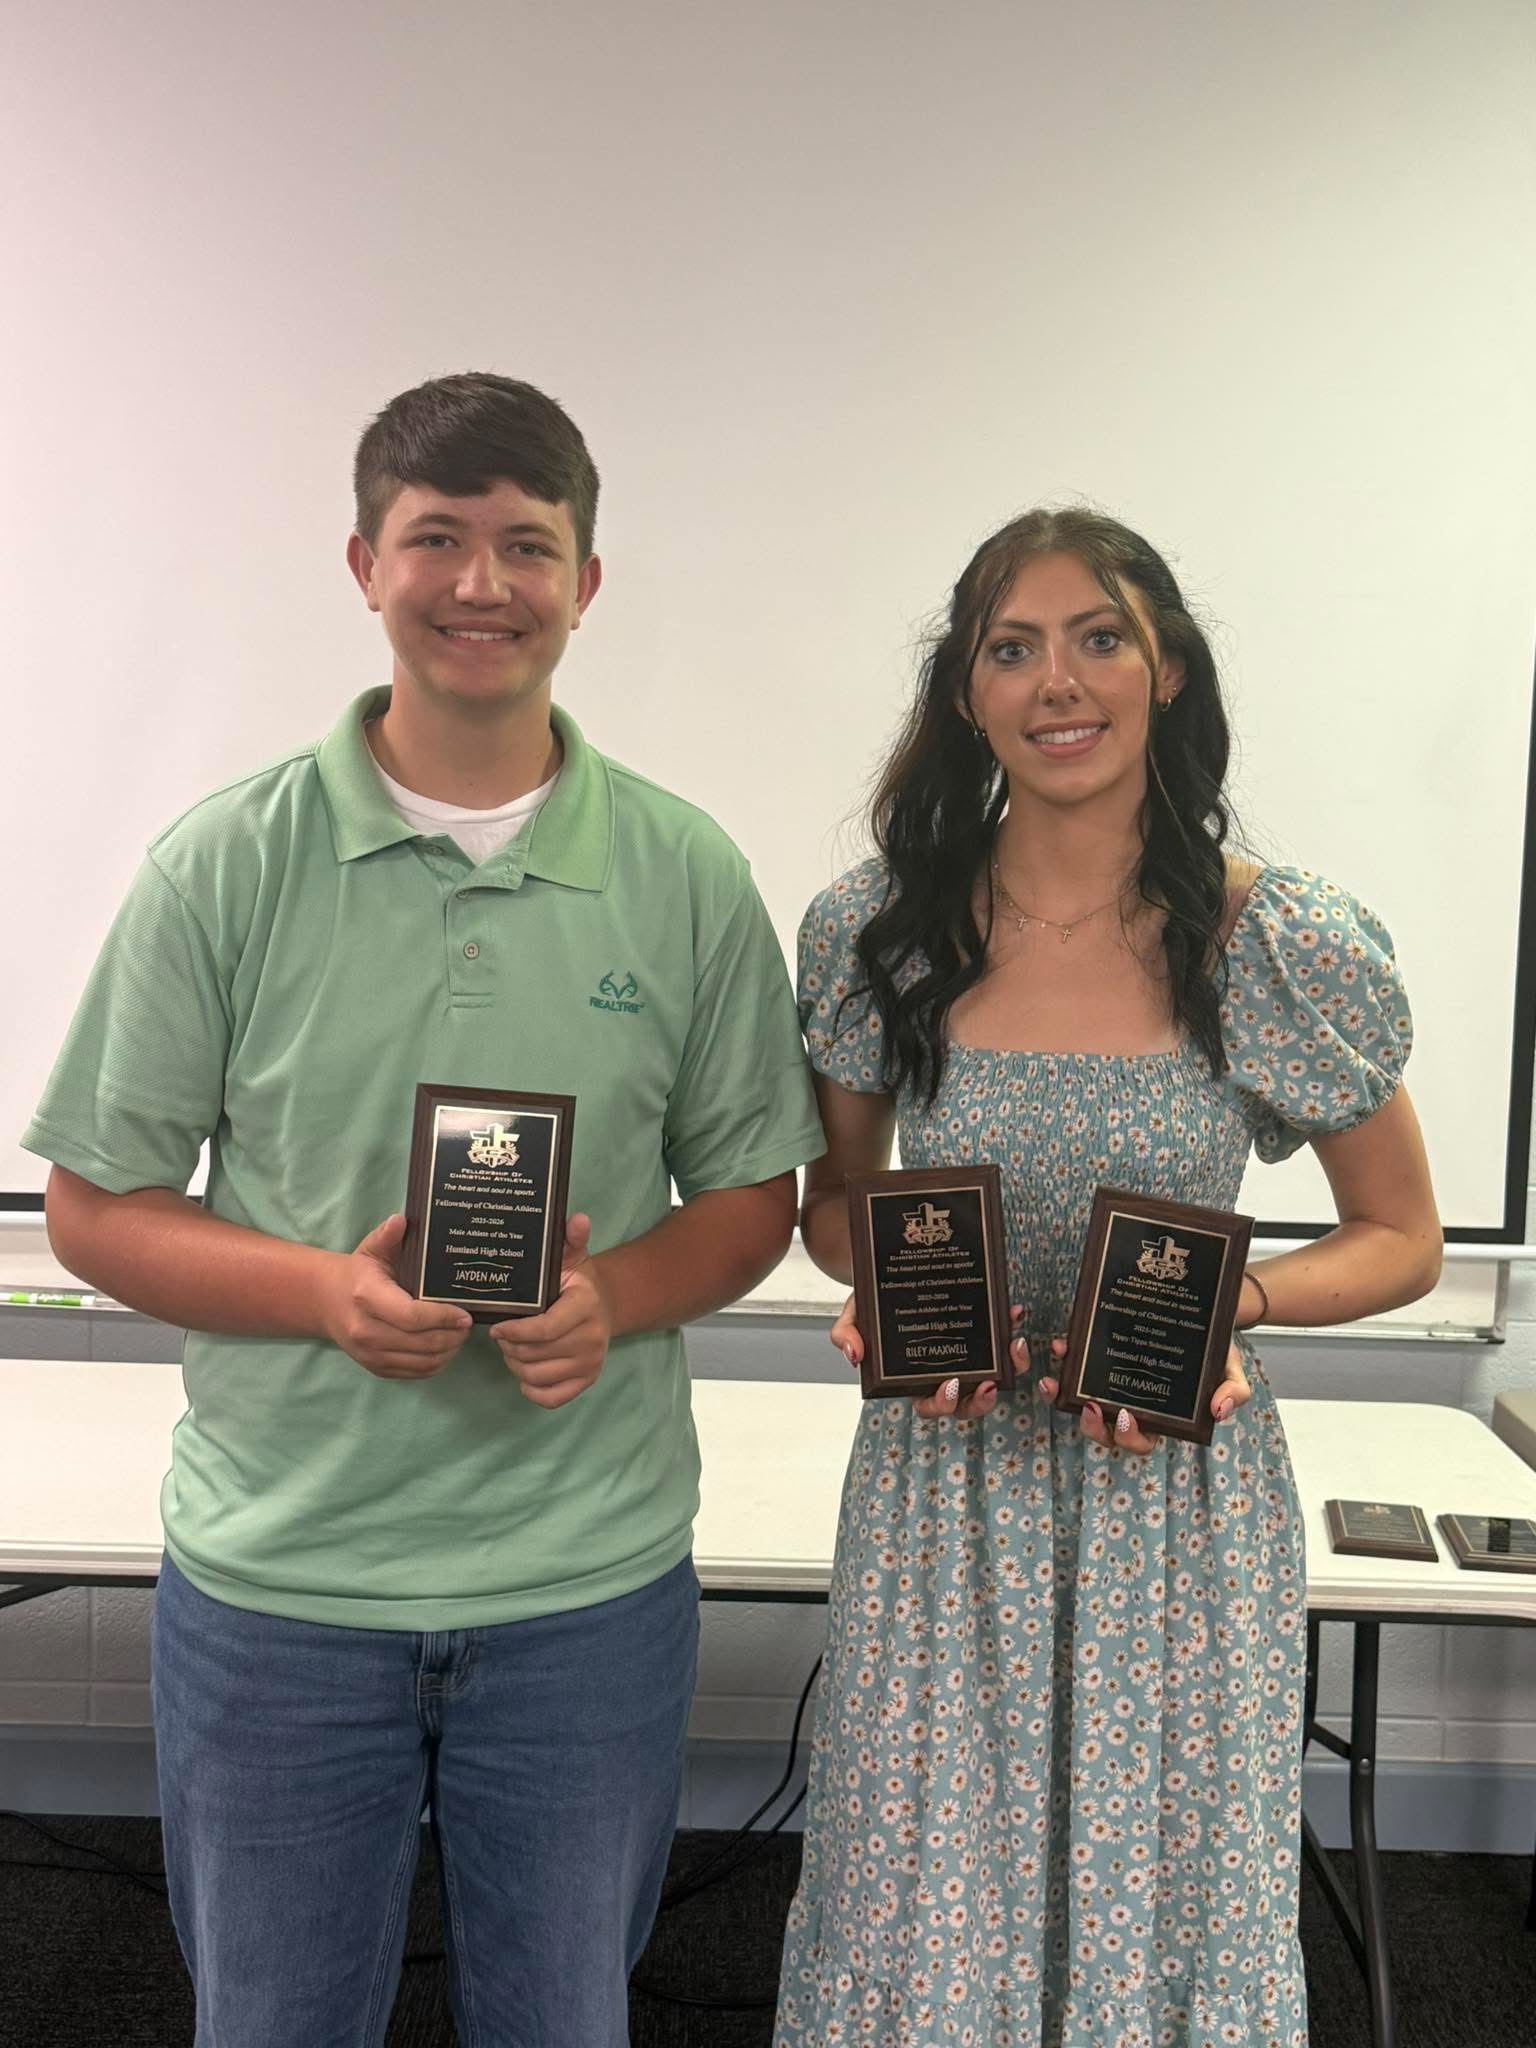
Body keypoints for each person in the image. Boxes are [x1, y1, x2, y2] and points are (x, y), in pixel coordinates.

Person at [24, 371, 825, 2047]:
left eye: (526, 544)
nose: (481, 583)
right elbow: (97, 1210)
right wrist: (325, 1296)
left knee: (563, 2027)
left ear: (588, 582)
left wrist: (620, 1299)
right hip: (282, 1592)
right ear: (361, 563)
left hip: (586, 1591)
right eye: (435, 539)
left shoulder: (684, 874)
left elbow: (754, 1196)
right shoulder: (222, 865)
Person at [775, 508, 1442, 2047]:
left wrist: (1238, 1307)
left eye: (1098, 637)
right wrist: (881, 1288)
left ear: (1168, 670)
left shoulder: (1270, 939)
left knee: (1166, 1897)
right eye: (1012, 647)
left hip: (1173, 1502)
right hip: (944, 1491)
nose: (1056, 680)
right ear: (965, 692)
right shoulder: (877, 932)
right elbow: (835, 1206)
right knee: (920, 1897)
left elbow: (1400, 1236)